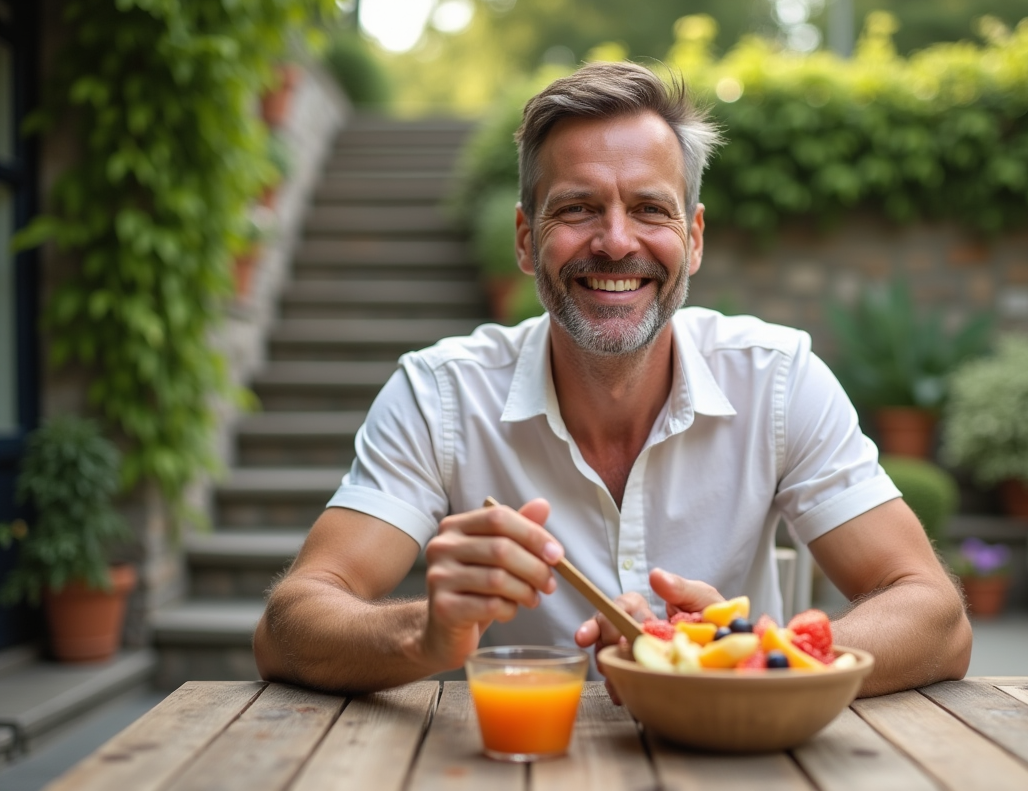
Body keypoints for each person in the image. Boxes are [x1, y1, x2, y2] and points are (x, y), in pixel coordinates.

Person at [253, 62, 971, 697]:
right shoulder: (439, 395)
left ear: (693, 239)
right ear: (526, 240)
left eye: (650, 209)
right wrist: (425, 635)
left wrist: (745, 659)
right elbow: (288, 627)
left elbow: (937, 617)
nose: (618, 241)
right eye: (578, 208)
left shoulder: (777, 381)